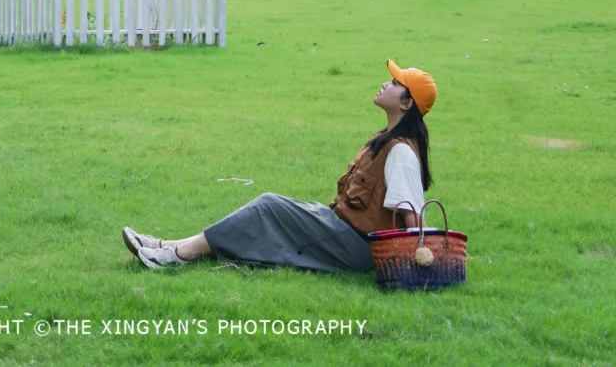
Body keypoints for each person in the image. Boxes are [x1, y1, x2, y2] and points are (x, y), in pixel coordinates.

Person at [122, 58, 436, 274]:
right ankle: (166, 246)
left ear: (407, 103)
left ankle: (177, 255)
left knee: (269, 207)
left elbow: (414, 218)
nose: (385, 83)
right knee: (270, 214)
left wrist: (409, 268)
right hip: (340, 228)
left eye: (395, 83)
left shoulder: (402, 153)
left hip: (355, 246)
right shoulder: (387, 140)